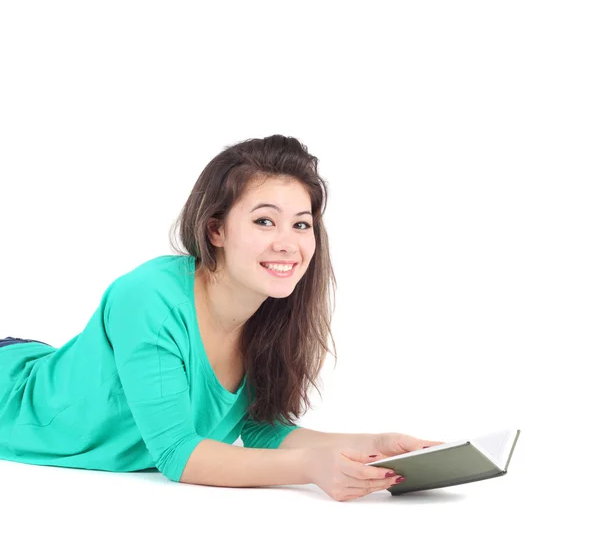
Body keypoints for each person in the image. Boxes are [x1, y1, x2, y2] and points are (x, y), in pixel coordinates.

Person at [0, 135, 442, 502]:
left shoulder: (266, 310)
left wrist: (373, 446)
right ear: (216, 229)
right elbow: (178, 454)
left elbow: (261, 430)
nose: (287, 243)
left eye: (301, 225)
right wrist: (311, 469)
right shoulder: (149, 297)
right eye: (265, 221)